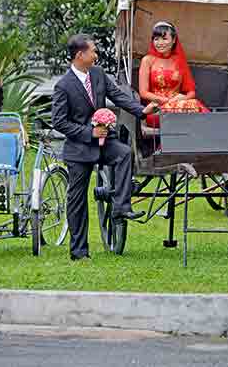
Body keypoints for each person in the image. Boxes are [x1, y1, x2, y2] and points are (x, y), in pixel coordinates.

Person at [52, 34, 156, 261]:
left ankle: (120, 206)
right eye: (93, 51)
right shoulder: (63, 86)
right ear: (80, 55)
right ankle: (79, 252)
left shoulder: (98, 75)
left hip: (104, 144)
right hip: (79, 150)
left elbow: (118, 96)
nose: (96, 55)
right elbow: (59, 121)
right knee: (77, 200)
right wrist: (89, 133)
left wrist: (141, 111)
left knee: (124, 154)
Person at [139, 21, 209, 127]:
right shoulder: (147, 60)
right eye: (156, 39)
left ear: (174, 40)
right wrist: (167, 101)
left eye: (164, 38)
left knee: (193, 104)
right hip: (156, 108)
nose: (159, 43)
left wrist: (182, 99)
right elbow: (143, 93)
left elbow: (191, 92)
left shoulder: (179, 60)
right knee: (191, 107)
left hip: (180, 104)